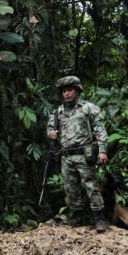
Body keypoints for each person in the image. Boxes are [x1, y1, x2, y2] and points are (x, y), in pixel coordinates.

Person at [47, 76, 109, 232]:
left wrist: (102, 151)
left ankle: (99, 218)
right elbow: (50, 130)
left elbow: (100, 130)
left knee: (91, 185)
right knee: (70, 188)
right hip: (66, 155)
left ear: (77, 91)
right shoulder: (57, 113)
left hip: (84, 153)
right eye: (64, 91)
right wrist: (51, 134)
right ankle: (77, 217)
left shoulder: (88, 108)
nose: (67, 94)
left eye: (70, 90)